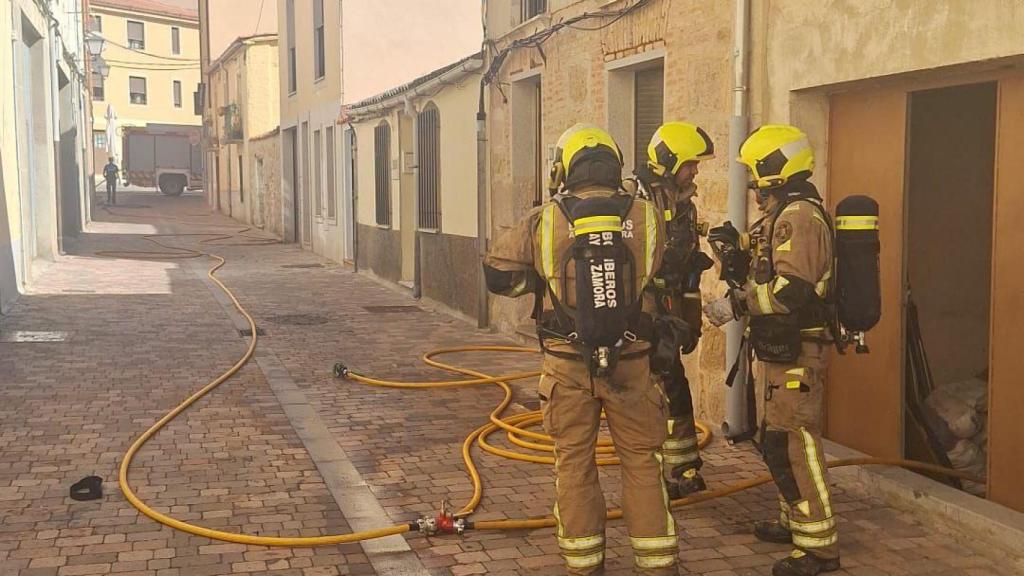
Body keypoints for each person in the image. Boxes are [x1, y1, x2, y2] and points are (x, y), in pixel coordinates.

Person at [484, 124, 678, 575]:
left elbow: (498, 274)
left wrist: (542, 282)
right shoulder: (647, 216)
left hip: (566, 365)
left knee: (574, 465)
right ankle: (657, 565)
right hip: (633, 362)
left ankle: (585, 564)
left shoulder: (545, 218)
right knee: (643, 464)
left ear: (564, 168)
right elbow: (659, 270)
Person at [703, 124, 839, 576]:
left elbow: (791, 289)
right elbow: (768, 257)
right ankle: (793, 521)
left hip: (800, 350)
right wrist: (735, 245)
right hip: (783, 351)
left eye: (757, 175)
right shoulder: (785, 214)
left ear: (774, 170)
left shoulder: (798, 217)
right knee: (777, 440)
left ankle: (819, 546)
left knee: (795, 443)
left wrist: (735, 304)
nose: (754, 186)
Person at [630, 122, 715, 499]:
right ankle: (653, 477)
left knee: (675, 388)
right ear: (669, 160)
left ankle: (680, 469)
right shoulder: (637, 200)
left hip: (670, 311)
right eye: (690, 163)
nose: (695, 170)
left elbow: (689, 271)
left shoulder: (684, 205)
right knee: (650, 395)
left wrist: (691, 322)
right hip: (643, 314)